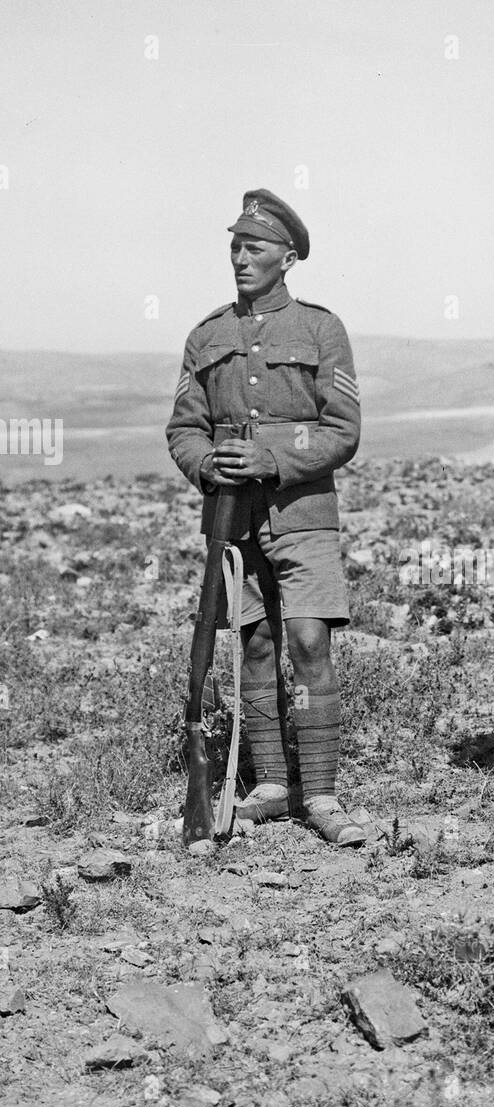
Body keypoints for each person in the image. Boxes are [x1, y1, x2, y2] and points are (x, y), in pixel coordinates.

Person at [166, 188, 366, 846]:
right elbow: (184, 428)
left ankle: (324, 794)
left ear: (287, 257)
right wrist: (206, 466)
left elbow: (343, 430)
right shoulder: (208, 334)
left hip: (303, 513)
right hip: (231, 520)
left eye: (254, 248)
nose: (240, 257)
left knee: (309, 641)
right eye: (234, 246)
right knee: (253, 644)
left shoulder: (320, 329)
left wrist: (272, 458)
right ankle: (275, 785)